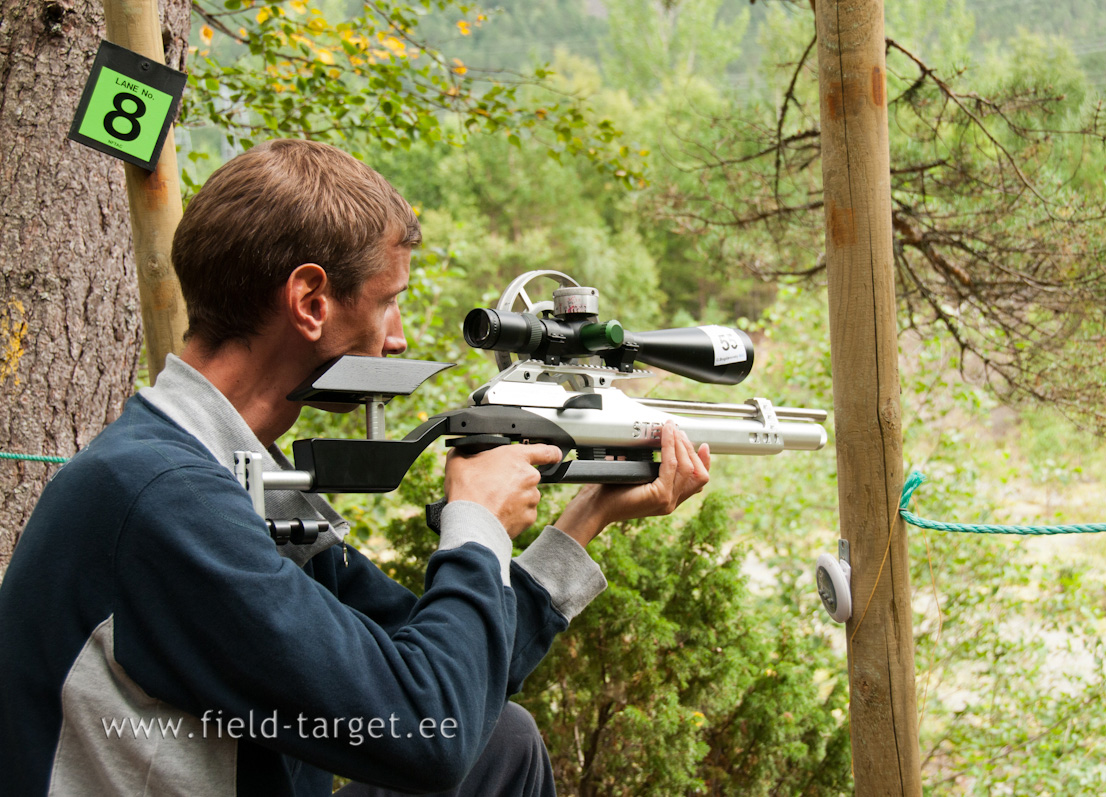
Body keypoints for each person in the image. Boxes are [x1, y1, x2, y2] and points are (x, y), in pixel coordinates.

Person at [0, 139, 710, 796]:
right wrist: (476, 524)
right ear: (311, 302)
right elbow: (427, 731)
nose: (396, 338)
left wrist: (583, 523)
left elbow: (452, 676)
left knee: (503, 743)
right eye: (388, 302)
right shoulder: (162, 499)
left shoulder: (231, 471)